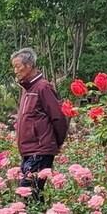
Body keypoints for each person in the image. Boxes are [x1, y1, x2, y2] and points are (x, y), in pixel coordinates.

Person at [11, 48, 68, 195]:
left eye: (17, 66)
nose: (15, 71)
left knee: (27, 192)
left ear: (29, 65)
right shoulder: (27, 89)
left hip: (40, 151)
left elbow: (58, 118)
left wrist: (55, 143)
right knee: (32, 195)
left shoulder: (43, 87)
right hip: (29, 151)